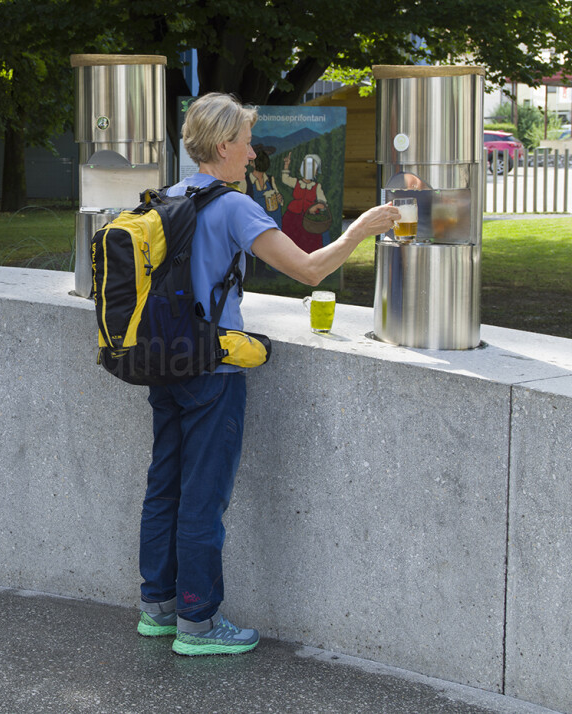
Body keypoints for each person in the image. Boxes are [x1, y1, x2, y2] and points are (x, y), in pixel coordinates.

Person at [136, 92, 398, 657]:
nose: (255, 152)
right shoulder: (232, 206)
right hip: (215, 365)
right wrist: (361, 230)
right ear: (224, 145)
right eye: (248, 141)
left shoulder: (167, 197)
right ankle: (199, 624)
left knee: (165, 486)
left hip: (165, 362)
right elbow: (307, 270)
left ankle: (156, 609)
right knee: (203, 498)